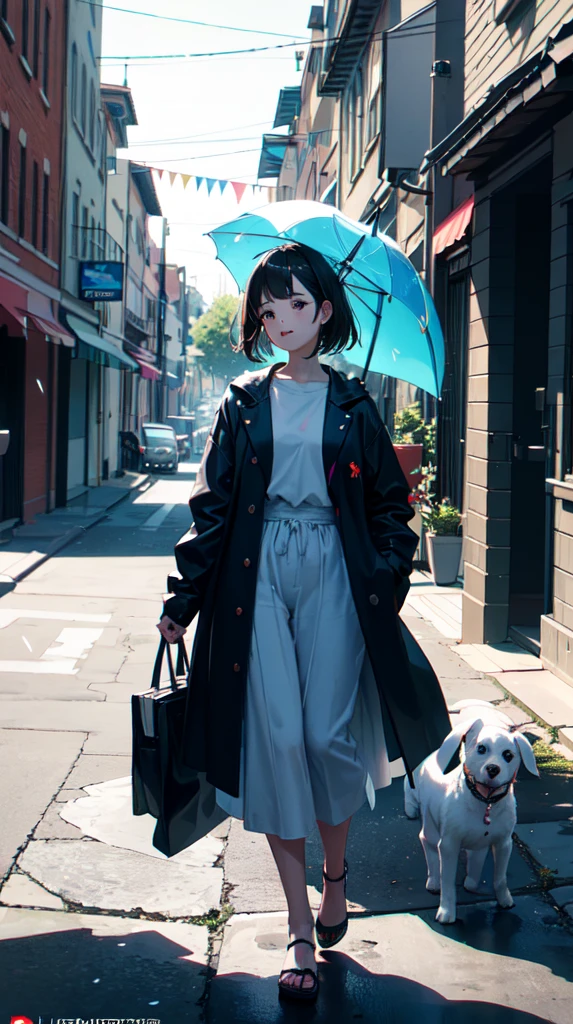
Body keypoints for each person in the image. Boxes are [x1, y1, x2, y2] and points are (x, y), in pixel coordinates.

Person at [157, 241, 449, 1003]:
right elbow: (213, 508)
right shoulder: (242, 402)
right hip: (255, 577)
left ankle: (337, 877)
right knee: (278, 740)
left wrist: (384, 577)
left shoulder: (356, 406)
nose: (277, 317)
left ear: (323, 312)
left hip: (336, 576)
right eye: (267, 305)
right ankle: (296, 926)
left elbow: (393, 507)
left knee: (326, 737)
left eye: (293, 304)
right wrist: (182, 599)